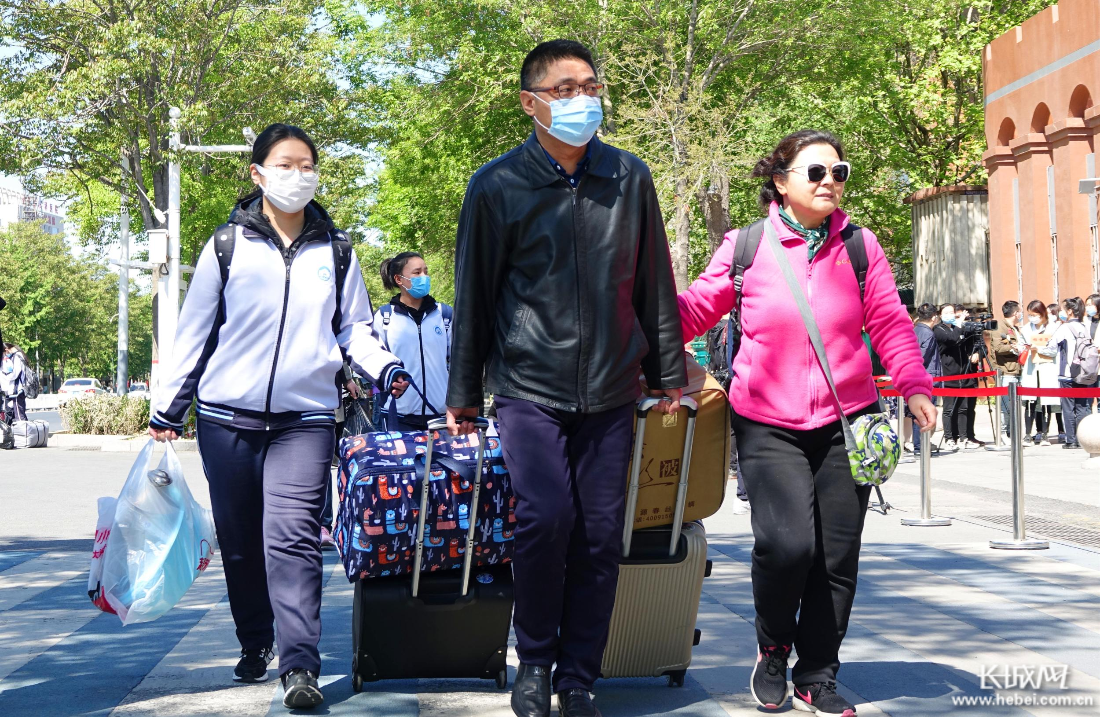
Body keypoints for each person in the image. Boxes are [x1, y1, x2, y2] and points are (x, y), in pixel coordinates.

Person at [445, 39, 687, 717]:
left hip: (614, 384)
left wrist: (668, 371)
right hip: (528, 383)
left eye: (589, 86)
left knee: (602, 532)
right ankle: (536, 660)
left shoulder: (629, 177)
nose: (583, 99)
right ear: (530, 103)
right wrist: (464, 392)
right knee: (546, 516)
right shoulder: (495, 186)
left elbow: (653, 285)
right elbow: (475, 294)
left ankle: (579, 675)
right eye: (564, 89)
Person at [147, 123, 408, 710]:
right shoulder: (226, 246)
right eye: (284, 165)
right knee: (241, 543)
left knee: (291, 540)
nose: (298, 175)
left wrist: (383, 367)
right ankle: (254, 638)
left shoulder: (337, 252)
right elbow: (195, 332)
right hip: (225, 418)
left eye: (306, 165)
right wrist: (168, 407)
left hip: (306, 419)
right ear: (257, 173)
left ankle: (300, 666)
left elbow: (354, 331)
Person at [678, 129, 935, 716]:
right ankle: (773, 649)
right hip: (766, 419)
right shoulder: (746, 246)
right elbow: (693, 309)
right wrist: (643, 324)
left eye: (838, 172)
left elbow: (891, 324)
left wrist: (915, 386)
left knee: (837, 555)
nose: (830, 183)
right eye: (816, 172)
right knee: (786, 545)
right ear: (781, 181)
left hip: (849, 420)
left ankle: (817, 672)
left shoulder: (861, 245)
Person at [374, 251, 453, 432]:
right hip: (398, 416)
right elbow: (374, 365)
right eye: (417, 273)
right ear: (399, 280)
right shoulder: (385, 317)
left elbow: (458, 363)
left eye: (426, 271)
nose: (424, 277)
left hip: (441, 416)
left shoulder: (445, 315)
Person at [1041, 297, 1097, 449]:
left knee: (1068, 407)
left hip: (1067, 373)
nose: (1061, 313)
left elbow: (1050, 348)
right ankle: (1082, 439)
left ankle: (1071, 440)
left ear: (1070, 311)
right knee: (1082, 407)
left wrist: (1037, 348)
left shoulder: (1064, 328)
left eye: (1063, 310)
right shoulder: (1084, 326)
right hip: (1083, 373)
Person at [933, 304, 982, 449]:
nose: (950, 314)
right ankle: (949, 438)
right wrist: (960, 324)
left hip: (964, 373)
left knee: (964, 408)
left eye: (952, 312)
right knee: (949, 408)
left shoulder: (958, 327)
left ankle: (964, 437)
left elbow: (970, 341)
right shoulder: (938, 329)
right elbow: (952, 339)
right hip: (949, 373)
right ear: (940, 315)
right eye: (946, 312)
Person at [1020, 300, 1059, 445]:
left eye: (1035, 314)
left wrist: (1037, 348)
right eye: (1029, 315)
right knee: (1030, 400)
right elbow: (1020, 346)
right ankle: (1028, 434)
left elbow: (1054, 350)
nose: (1032, 318)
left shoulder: (1053, 328)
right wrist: (1019, 348)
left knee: (1046, 400)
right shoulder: (1025, 329)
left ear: (1042, 314)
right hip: (1031, 367)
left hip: (1047, 367)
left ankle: (1044, 434)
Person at [909, 303, 942, 452]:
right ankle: (921, 445)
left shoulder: (915, 330)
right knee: (926, 412)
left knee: (918, 411)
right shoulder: (928, 333)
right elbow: (923, 356)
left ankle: (919, 444)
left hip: (915, 376)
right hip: (927, 376)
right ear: (934, 317)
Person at [991, 301, 1026, 438]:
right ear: (1016, 313)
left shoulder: (1015, 328)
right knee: (1005, 406)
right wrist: (1013, 347)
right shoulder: (1000, 327)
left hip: (1016, 370)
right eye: (1020, 312)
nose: (1021, 314)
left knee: (1014, 406)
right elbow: (998, 348)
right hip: (1005, 371)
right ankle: (1003, 434)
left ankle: (1012, 434)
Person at [1, 343, 28, 422]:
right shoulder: (16, 356)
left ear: (6, 350)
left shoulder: (17, 357)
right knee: (12, 413)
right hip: (15, 390)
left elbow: (15, 373)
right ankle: (18, 432)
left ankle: (23, 432)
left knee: (19, 415)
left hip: (17, 390)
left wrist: (5, 376)